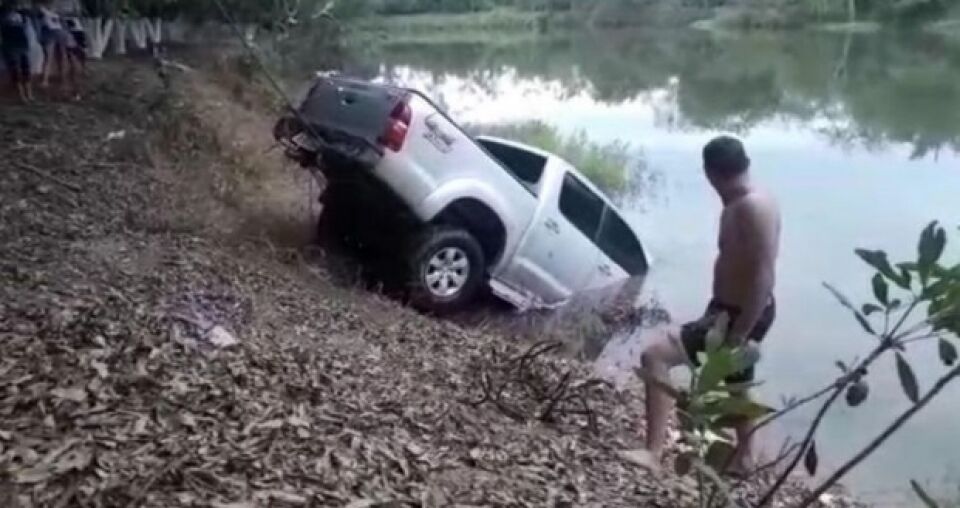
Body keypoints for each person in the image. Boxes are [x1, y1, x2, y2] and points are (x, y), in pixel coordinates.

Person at [631, 135, 781, 474]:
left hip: (738, 315)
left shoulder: (752, 208)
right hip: (729, 309)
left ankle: (652, 453)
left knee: (655, 356)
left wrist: (739, 332)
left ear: (710, 173)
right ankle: (744, 459)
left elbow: (763, 276)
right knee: (735, 382)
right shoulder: (742, 202)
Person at [1, 0, 34, 102]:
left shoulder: (22, 14)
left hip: (21, 43)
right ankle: (22, 96)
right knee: (16, 71)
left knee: (25, 69)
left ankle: (29, 94)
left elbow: (26, 27)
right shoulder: (2, 14)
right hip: (10, 45)